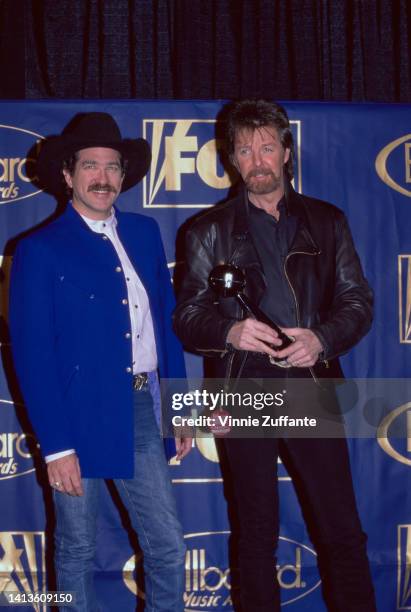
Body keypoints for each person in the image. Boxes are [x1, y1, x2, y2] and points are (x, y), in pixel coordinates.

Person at [173, 99, 376, 611]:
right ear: (232, 160)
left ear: (287, 152)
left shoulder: (328, 221)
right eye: (246, 150)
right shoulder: (205, 230)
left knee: (341, 530)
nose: (258, 160)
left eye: (267, 147)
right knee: (255, 534)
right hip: (242, 392)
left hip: (312, 385)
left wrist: (322, 339)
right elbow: (186, 319)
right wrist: (229, 331)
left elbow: (358, 301)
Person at [9, 112, 192, 612]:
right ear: (67, 175)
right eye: (90, 165)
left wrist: (177, 408)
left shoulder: (145, 232)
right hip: (75, 413)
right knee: (75, 549)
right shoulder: (36, 251)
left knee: (169, 545)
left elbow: (165, 321)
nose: (103, 177)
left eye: (112, 167)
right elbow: (31, 355)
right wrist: (57, 446)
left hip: (138, 405)